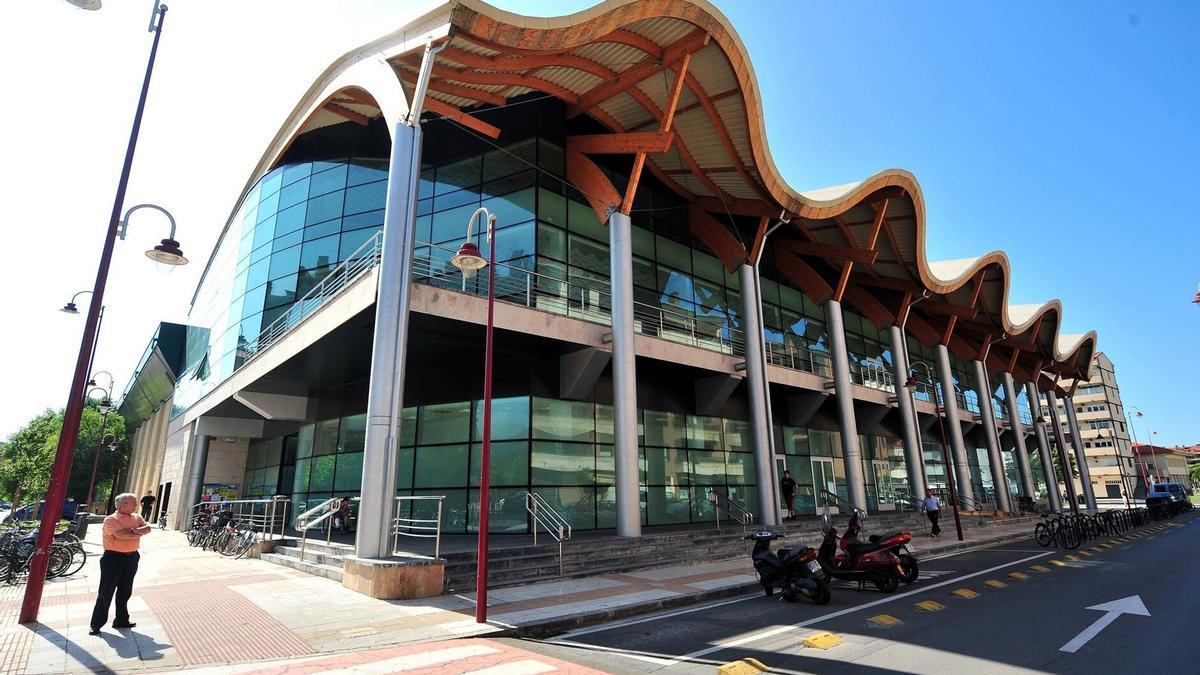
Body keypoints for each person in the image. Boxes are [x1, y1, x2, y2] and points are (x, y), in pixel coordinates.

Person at [90, 493, 151, 635]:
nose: (136, 506)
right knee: (106, 591)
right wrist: (136, 532)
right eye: (133, 503)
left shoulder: (137, 517)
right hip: (113, 558)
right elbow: (120, 535)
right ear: (122, 504)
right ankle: (96, 624)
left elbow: (147, 529)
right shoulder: (111, 520)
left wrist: (132, 531)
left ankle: (121, 620)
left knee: (125, 590)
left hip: (132, 557)